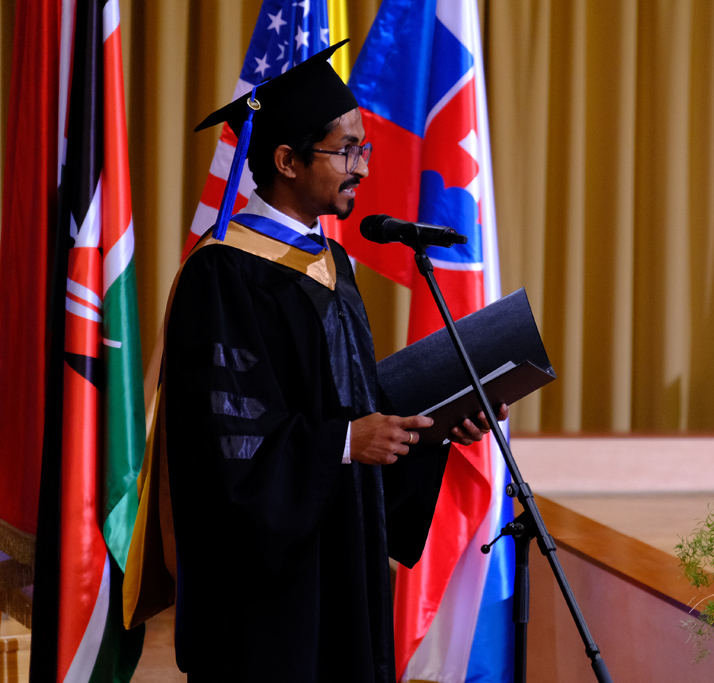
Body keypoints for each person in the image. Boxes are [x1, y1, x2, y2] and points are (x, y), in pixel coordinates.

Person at [127, 43, 507, 681]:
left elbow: (352, 405)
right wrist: (344, 443)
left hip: (342, 556)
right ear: (287, 161)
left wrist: (437, 424)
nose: (363, 167)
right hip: (268, 595)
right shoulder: (221, 273)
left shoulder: (332, 263)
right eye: (346, 151)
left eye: (364, 149)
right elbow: (224, 443)